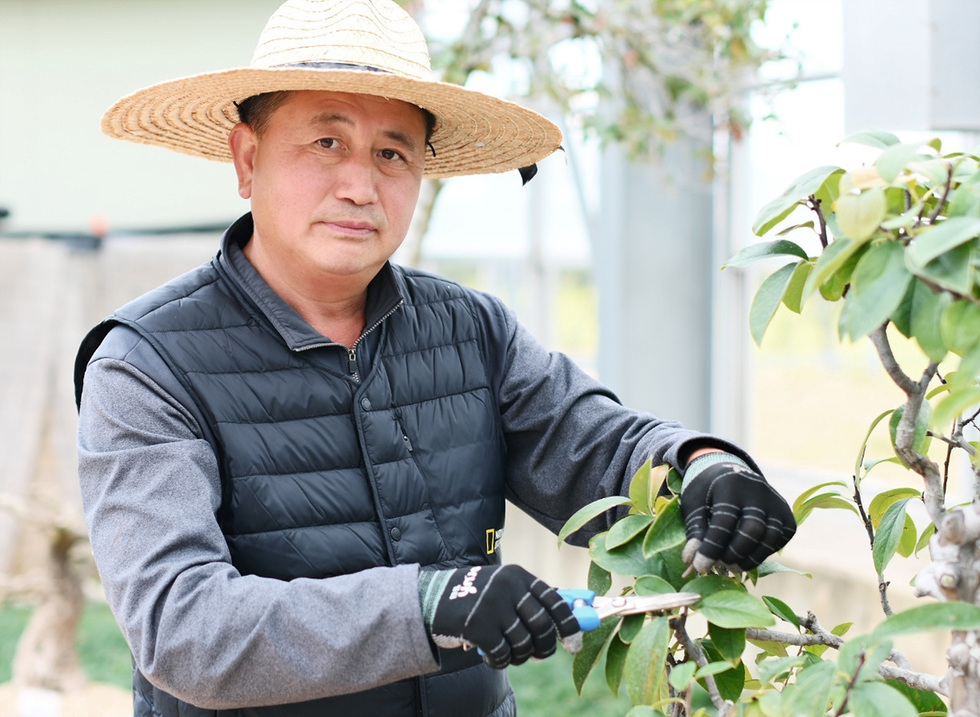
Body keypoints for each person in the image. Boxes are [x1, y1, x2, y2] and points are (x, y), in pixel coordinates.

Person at [74, 1, 796, 715]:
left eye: (392, 153)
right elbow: (183, 627)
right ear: (248, 156)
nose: (360, 185)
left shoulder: (470, 330)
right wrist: (429, 605)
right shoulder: (147, 365)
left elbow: (592, 446)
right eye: (327, 143)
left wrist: (702, 466)